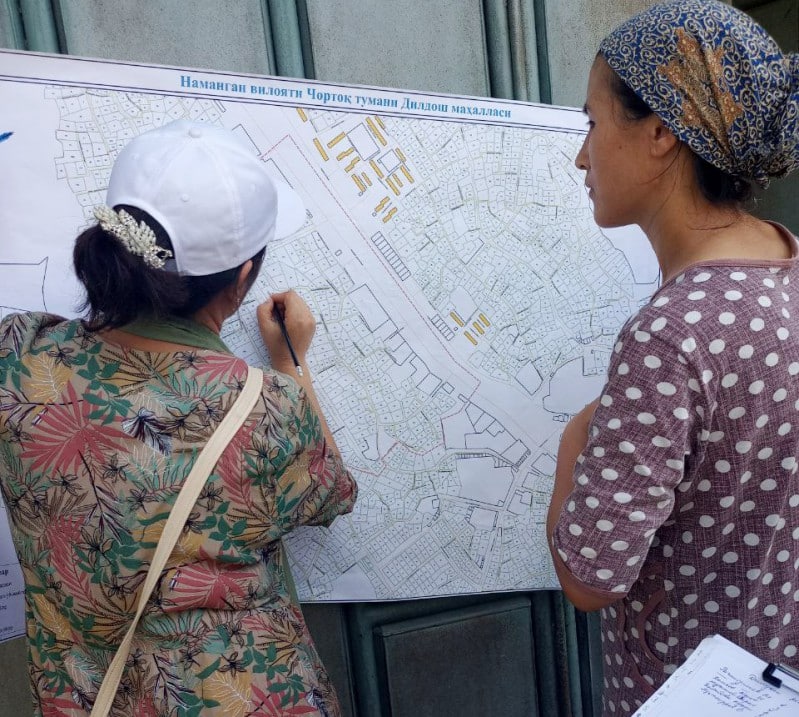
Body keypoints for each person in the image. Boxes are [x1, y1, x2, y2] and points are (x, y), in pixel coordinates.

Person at [0, 119, 357, 716]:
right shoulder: (267, 407)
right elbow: (331, 494)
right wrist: (290, 362)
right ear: (241, 279)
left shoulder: (18, 356)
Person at [546, 0, 799, 714]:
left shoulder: (669, 336)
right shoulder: (788, 270)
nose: (582, 155)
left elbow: (590, 579)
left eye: (592, 122)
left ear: (660, 132)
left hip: (683, 693)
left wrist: (576, 437)